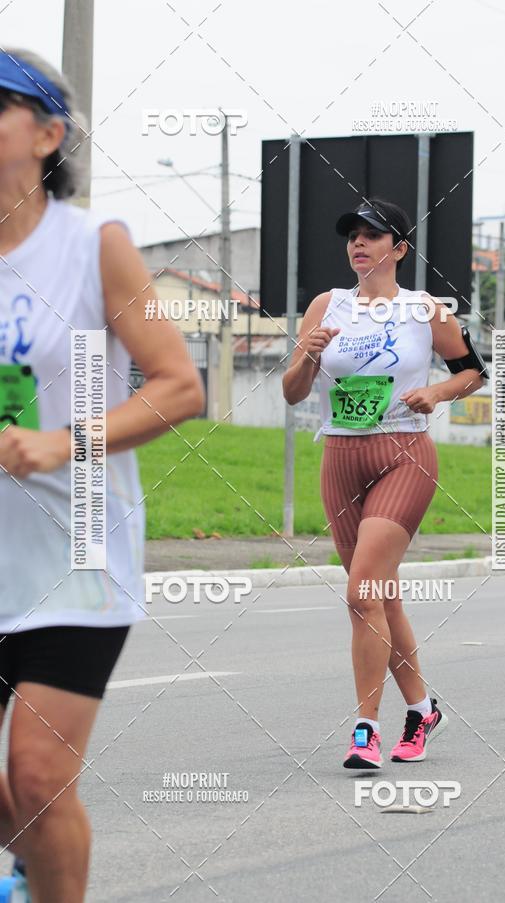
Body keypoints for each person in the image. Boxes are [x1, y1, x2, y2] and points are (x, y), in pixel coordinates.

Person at [0, 48, 205, 902]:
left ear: (48, 135)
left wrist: (65, 440)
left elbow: (180, 387)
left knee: (40, 778)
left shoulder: (92, 245)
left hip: (75, 559)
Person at [282, 198, 487, 769]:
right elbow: (292, 392)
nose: (359, 242)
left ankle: (365, 729)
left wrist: (438, 394)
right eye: (353, 234)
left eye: (374, 235)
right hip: (341, 459)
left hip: (404, 457)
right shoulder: (328, 305)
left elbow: (474, 370)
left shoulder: (425, 310)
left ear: (399, 249)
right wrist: (308, 358)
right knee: (380, 599)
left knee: (361, 594)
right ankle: (422, 709)